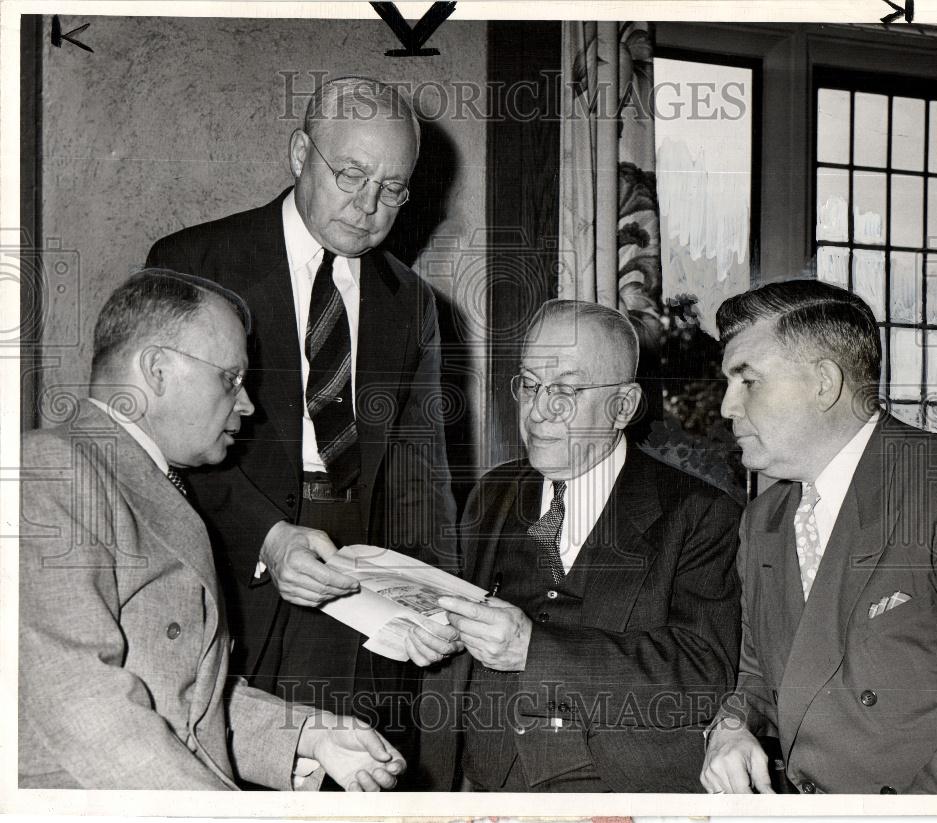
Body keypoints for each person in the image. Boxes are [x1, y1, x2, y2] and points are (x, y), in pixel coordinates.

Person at [145, 76, 459, 781]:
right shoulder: (197, 262)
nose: (370, 205)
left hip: (362, 591)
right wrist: (268, 536)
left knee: (348, 777)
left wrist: (434, 592)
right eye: (350, 174)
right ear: (299, 153)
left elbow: (421, 470)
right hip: (230, 567)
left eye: (394, 188)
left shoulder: (411, 302)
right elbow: (159, 446)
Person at [19, 269, 406, 790]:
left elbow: (182, 698)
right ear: (156, 370)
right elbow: (78, 697)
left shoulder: (138, 478)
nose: (247, 405)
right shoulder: (50, 469)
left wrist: (309, 735)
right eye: (230, 378)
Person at [425, 299, 742, 792]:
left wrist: (535, 649)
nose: (537, 411)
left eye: (567, 391)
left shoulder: (699, 512)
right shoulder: (491, 495)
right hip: (485, 780)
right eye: (529, 385)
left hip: (617, 787)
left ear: (624, 406)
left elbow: (703, 675)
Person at [700, 279, 937, 795]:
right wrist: (730, 726)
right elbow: (761, 683)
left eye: (747, 381)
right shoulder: (763, 520)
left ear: (824, 384)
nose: (726, 406)